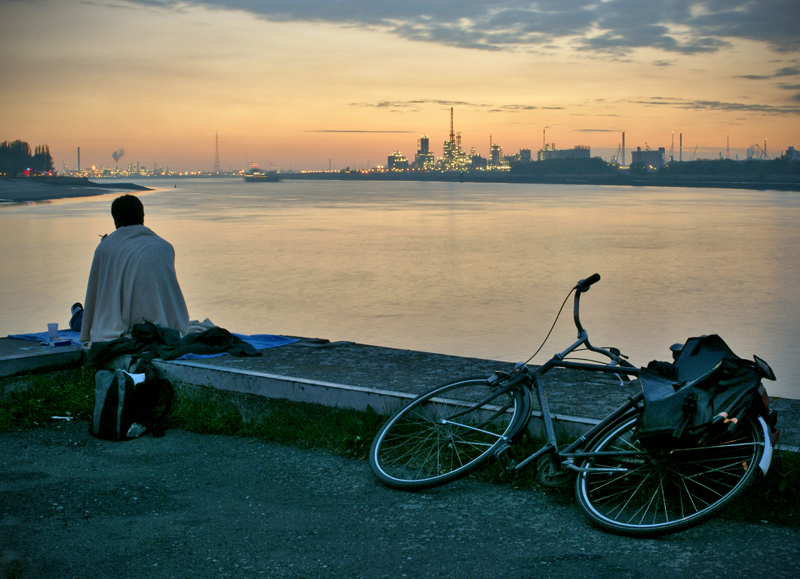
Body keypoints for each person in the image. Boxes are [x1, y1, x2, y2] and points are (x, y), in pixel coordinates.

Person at [76, 194, 189, 345]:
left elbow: (98, 297)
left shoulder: (105, 247)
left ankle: (76, 313)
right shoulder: (165, 247)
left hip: (128, 327)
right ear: (143, 217)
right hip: (165, 324)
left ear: (115, 220)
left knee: (90, 319)